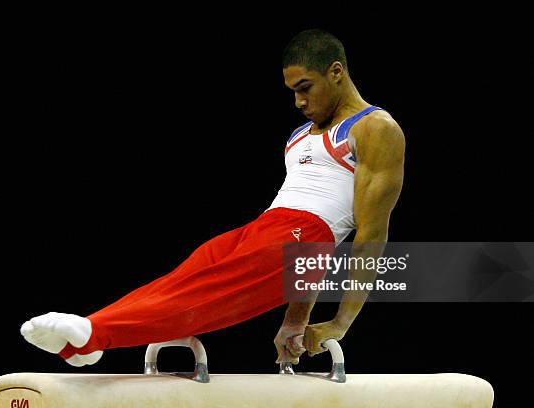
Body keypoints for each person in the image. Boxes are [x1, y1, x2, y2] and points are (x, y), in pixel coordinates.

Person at [20, 29, 405, 368]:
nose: (299, 102)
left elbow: (371, 234)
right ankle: (87, 340)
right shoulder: (298, 136)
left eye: (305, 88)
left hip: (305, 236)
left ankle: (94, 334)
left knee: (204, 296)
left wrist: (340, 323)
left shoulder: (376, 128)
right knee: (181, 280)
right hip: (264, 228)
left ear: (336, 72)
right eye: (292, 92)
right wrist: (296, 320)